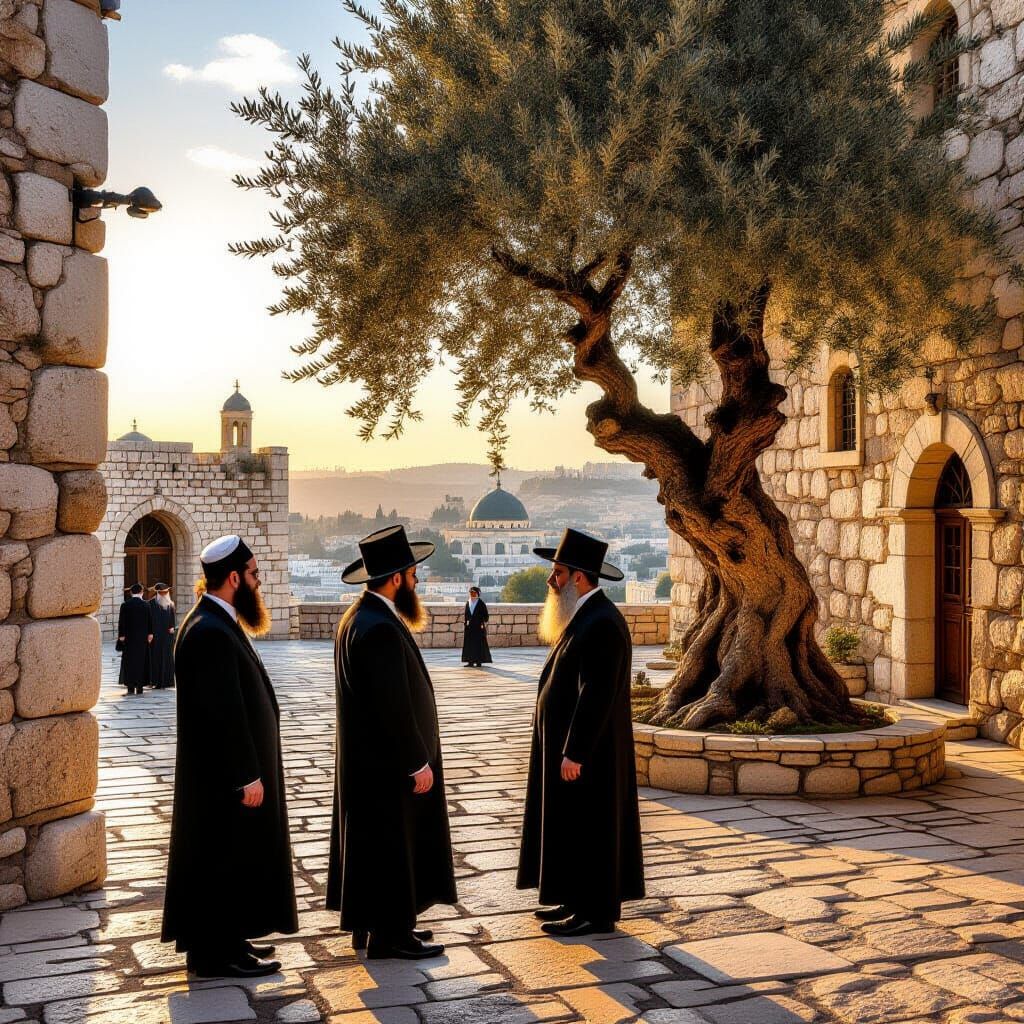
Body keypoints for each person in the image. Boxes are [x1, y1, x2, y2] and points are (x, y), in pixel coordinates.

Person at [162, 535, 297, 978]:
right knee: (218, 860)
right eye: (255, 575)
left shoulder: (217, 623)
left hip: (225, 776)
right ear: (235, 577)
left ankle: (230, 940)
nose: (259, 584)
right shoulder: (208, 631)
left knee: (232, 858)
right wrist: (246, 774)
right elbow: (224, 712)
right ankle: (214, 953)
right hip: (222, 779)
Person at [328, 525, 457, 960]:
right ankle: (391, 934)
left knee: (376, 846)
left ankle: (373, 926)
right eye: (413, 573)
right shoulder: (378, 627)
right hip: (386, 765)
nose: (418, 580)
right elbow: (393, 704)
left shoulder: (360, 617)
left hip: (368, 763)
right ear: (397, 577)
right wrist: (416, 761)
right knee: (390, 846)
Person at [517, 528, 645, 937]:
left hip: (593, 754)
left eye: (557, 573)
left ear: (579, 577)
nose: (550, 581)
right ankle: (574, 900)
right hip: (574, 750)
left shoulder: (603, 622)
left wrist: (575, 750)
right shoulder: (584, 615)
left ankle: (596, 912)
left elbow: (597, 694)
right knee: (574, 826)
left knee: (593, 828)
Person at [117, 582, 152, 696]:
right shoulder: (146, 605)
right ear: (141, 592)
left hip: (129, 639)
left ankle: (130, 688)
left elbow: (121, 622)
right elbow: (150, 622)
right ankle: (140, 687)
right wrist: (150, 634)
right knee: (141, 662)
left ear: (131, 592)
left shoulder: (125, 605)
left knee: (129, 662)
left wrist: (121, 635)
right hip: (142, 639)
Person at [148, 582, 176, 689]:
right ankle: (155, 681)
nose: (165, 595)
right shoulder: (150, 604)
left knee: (167, 658)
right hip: (155, 636)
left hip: (167, 637)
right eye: (162, 593)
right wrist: (149, 633)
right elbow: (148, 620)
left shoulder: (171, 604)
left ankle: (168, 681)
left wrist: (172, 627)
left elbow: (172, 619)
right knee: (156, 658)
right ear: (158, 593)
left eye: (166, 592)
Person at [461, 586, 492, 668]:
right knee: (469, 644)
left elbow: (486, 616)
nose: (472, 594)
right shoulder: (468, 602)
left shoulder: (481, 603)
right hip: (470, 628)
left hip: (478, 627)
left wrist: (482, 622)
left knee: (479, 644)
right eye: (471, 593)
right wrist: (466, 623)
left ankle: (479, 661)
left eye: (474, 593)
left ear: (478, 593)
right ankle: (470, 661)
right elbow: (466, 615)